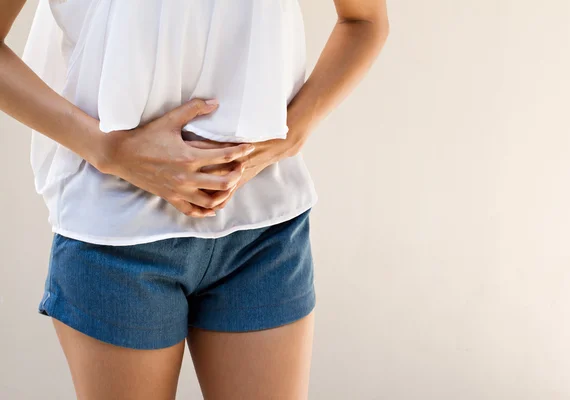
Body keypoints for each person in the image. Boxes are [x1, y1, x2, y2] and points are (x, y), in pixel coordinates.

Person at [0, 0, 389, 398]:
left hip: (264, 235)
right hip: (117, 238)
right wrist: (108, 151)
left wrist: (292, 133)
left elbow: (365, 20)